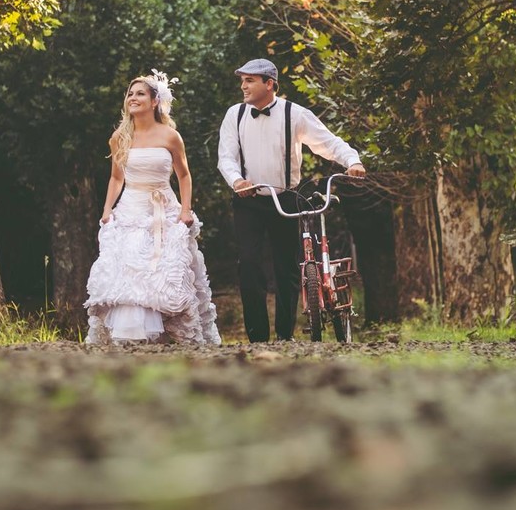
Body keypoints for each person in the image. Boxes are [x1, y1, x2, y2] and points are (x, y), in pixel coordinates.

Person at [217, 58, 365, 342]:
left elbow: (328, 142)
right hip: (249, 200)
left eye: (250, 80)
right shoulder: (234, 114)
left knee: (286, 267)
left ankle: (285, 335)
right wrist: (237, 181)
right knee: (249, 264)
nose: (243, 86)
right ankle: (257, 337)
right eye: (242, 80)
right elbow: (226, 157)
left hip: (285, 199)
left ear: (269, 84)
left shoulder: (294, 114)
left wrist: (352, 161)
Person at [84, 71, 221, 345]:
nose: (133, 98)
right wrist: (107, 210)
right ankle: (130, 335)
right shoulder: (120, 137)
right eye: (130, 94)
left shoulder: (170, 136)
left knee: (168, 269)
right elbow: (116, 178)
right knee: (131, 267)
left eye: (140, 94)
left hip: (164, 208)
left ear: (155, 101)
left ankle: (170, 335)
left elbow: (184, 175)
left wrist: (185, 209)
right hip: (131, 209)